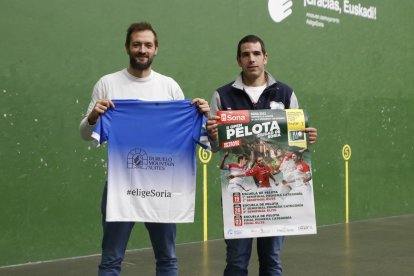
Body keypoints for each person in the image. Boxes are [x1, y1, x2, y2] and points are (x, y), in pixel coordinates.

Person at [79, 22, 211, 276]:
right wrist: (94, 115)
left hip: (163, 187)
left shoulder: (169, 86)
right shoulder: (107, 84)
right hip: (120, 186)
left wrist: (200, 115)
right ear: (127, 47)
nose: (142, 49)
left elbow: (199, 137)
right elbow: (86, 135)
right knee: (110, 260)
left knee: (167, 259)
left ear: (156, 49)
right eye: (137, 44)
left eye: (148, 45)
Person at [206, 34, 318, 276]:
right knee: (236, 262)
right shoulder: (222, 96)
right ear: (238, 60)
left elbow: (296, 144)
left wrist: (306, 137)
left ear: (265, 57)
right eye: (245, 54)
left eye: (256, 54)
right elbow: (212, 146)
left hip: (275, 199)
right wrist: (212, 134)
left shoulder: (285, 93)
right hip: (240, 199)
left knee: (272, 262)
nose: (251, 59)